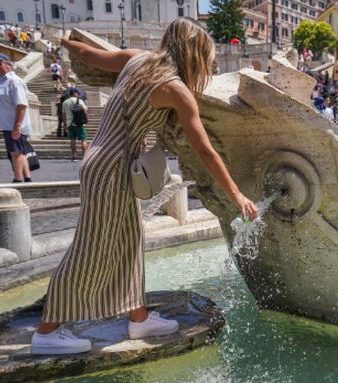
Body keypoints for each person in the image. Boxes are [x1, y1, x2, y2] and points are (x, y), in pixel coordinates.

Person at [31, 18, 259, 355]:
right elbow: (205, 150)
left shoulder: (137, 59)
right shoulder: (176, 90)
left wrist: (64, 41)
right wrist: (237, 194)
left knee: (130, 240)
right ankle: (47, 331)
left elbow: (89, 55)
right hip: (112, 167)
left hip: (101, 160)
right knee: (91, 248)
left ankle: (138, 317)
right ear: (194, 54)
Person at [0, 53, 33, 183]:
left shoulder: (14, 81)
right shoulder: (3, 81)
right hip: (8, 123)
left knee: (15, 152)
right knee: (19, 151)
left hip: (14, 124)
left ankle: (18, 179)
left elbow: (21, 105)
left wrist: (17, 126)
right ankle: (27, 177)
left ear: (7, 64)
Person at [62, 88, 89, 162]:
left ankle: (74, 156)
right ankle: (85, 156)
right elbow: (85, 110)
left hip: (69, 123)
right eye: (77, 93)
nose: (78, 94)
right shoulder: (79, 101)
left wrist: (64, 124)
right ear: (75, 93)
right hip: (79, 123)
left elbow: (63, 114)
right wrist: (86, 119)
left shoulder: (65, 102)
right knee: (83, 139)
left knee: (72, 140)